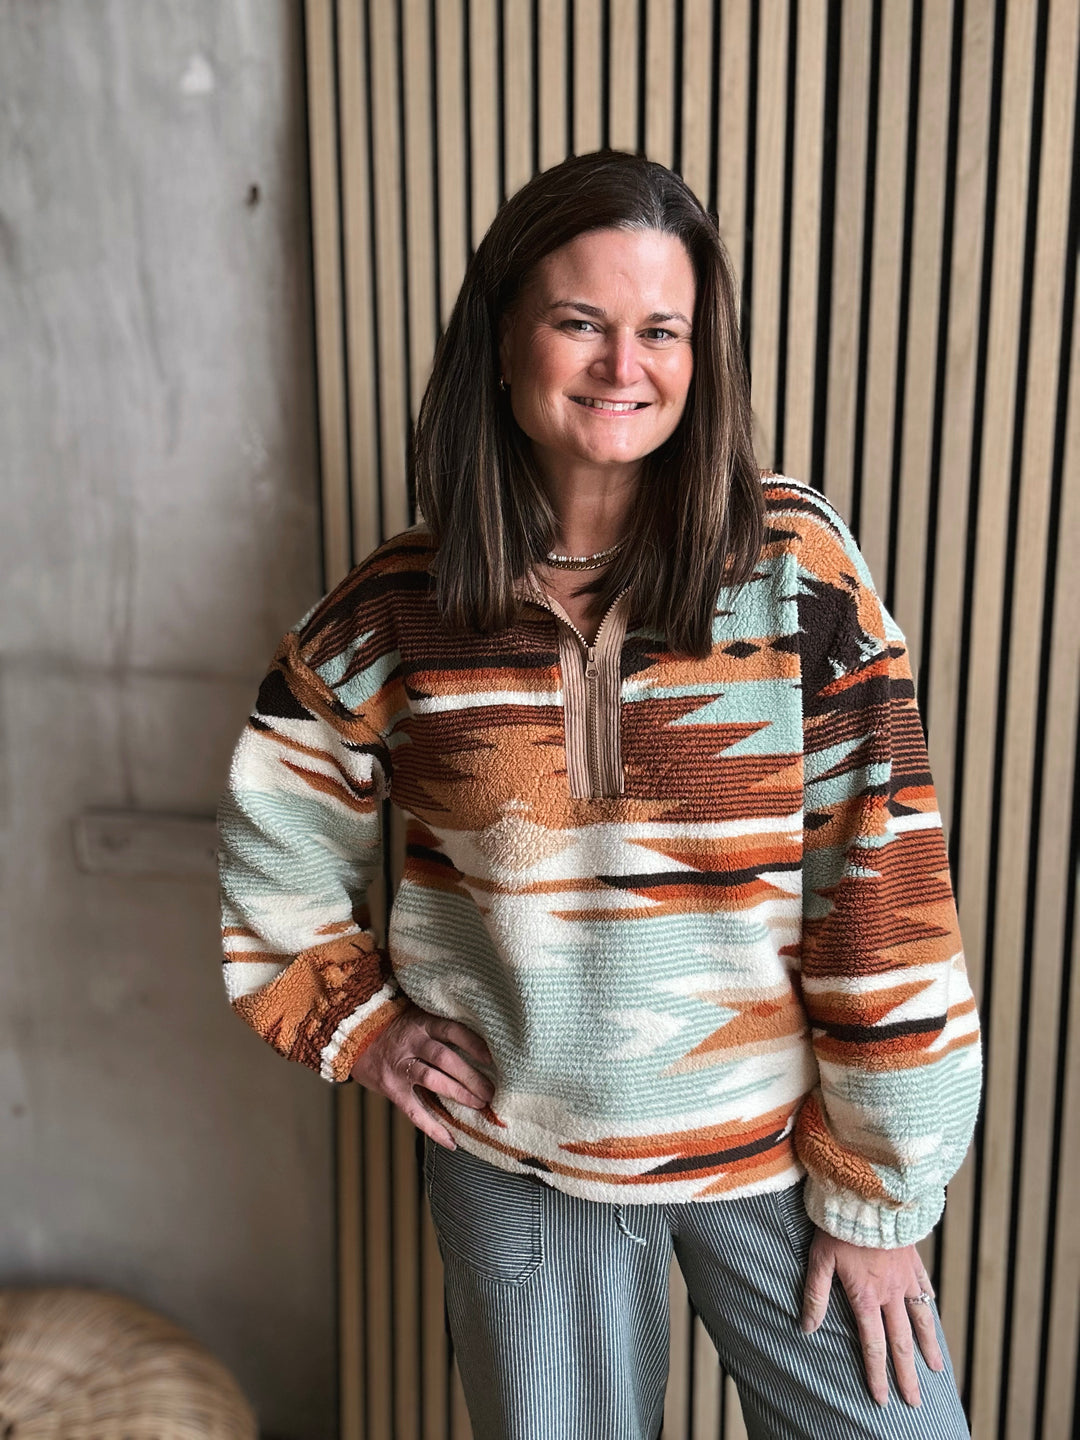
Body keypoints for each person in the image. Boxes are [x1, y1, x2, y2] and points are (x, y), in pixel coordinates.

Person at [217, 150, 981, 1440]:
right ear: (505, 342)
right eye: (581, 321)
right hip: (517, 1171)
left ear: (702, 355)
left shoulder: (790, 568)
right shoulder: (408, 601)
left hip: (778, 1158)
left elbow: (883, 877)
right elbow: (273, 834)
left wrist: (884, 1197)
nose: (623, 367)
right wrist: (359, 1021)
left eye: (661, 330)